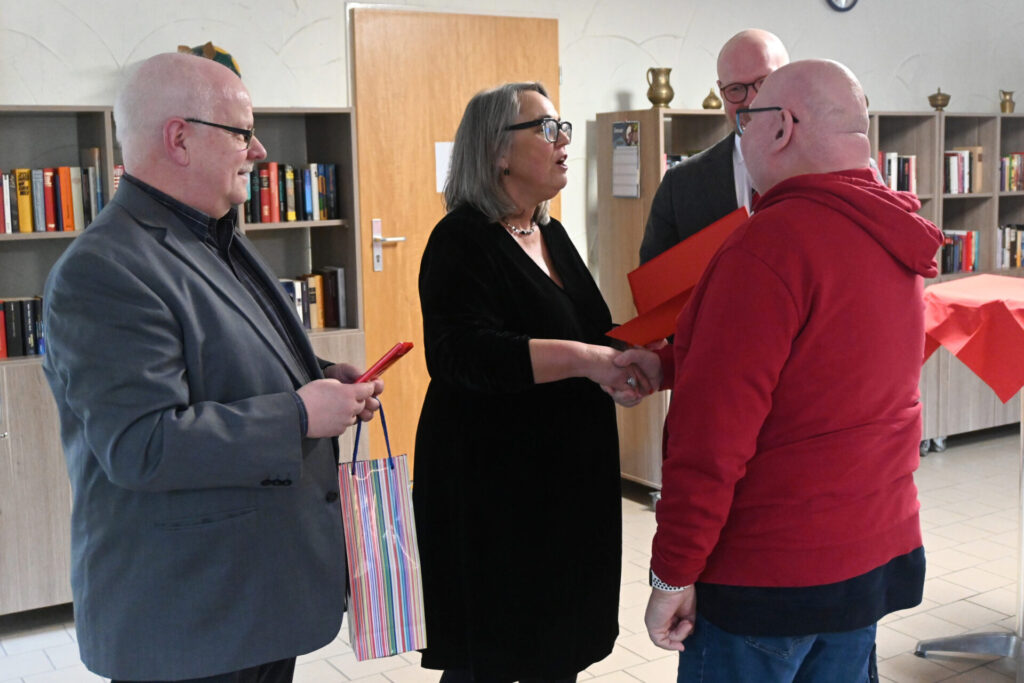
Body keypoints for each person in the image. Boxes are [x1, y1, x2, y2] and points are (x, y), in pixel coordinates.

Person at [41, 52, 382, 683]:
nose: (260, 152)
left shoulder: (216, 235)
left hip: (249, 598)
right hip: (191, 616)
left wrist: (319, 377)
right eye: (242, 132)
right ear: (179, 138)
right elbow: (143, 444)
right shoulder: (104, 269)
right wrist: (299, 414)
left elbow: (225, 359)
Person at [618, 60, 944, 680]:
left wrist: (672, 574)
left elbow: (710, 441)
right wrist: (670, 363)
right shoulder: (895, 229)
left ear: (782, 127)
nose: (740, 136)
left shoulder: (769, 245)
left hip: (771, 571)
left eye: (747, 120)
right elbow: (824, 362)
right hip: (867, 555)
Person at [413, 82, 648, 683]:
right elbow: (460, 354)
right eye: (546, 129)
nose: (564, 139)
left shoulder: (552, 233)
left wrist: (627, 362)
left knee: (558, 645)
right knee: (493, 653)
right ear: (498, 151)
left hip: (566, 480)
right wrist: (585, 360)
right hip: (493, 487)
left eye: (562, 126)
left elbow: (591, 329)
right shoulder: (461, 238)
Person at [639, 29, 789, 264]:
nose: (751, 101)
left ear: (789, 79)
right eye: (736, 89)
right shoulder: (680, 184)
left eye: (764, 83)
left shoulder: (823, 169)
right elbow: (654, 282)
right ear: (721, 91)